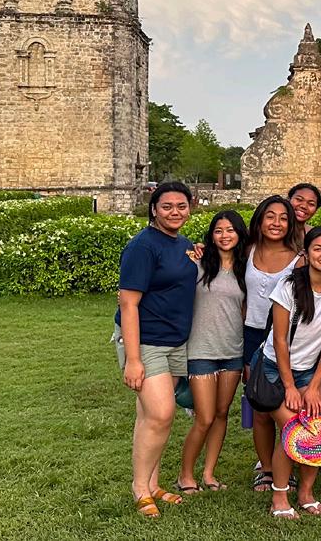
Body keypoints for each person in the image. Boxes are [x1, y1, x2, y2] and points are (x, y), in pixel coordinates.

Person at [113, 181, 196, 518]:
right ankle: (139, 487)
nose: (175, 212)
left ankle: (153, 483)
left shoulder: (184, 244)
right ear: (154, 209)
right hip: (146, 340)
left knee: (150, 416)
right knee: (161, 414)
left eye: (181, 206)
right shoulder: (142, 246)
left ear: (190, 208)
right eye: (167, 206)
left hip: (175, 341)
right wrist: (133, 359)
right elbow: (128, 304)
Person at [262, 226, 321, 519]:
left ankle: (305, 492)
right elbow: (279, 340)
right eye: (317, 248)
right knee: (294, 428)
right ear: (306, 253)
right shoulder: (288, 286)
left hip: (309, 371)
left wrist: (315, 385)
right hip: (275, 368)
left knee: (317, 427)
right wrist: (290, 386)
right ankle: (279, 495)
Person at [178, 210, 248, 495]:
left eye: (230, 230)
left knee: (221, 414)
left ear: (239, 234)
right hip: (201, 350)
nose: (224, 236)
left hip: (232, 350)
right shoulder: (197, 263)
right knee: (204, 417)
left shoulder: (245, 269)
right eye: (218, 231)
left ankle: (208, 473)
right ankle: (185, 474)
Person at [243, 196, 303, 491]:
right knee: (260, 406)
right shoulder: (247, 250)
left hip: (283, 338)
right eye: (270, 216)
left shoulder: (299, 258)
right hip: (251, 334)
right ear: (260, 220)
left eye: (283, 218)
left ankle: (286, 465)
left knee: (284, 407)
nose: (276, 223)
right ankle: (266, 467)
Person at [287, 183, 321, 251]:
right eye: (299, 200)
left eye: (311, 204)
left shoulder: (314, 235)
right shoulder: (275, 229)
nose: (304, 206)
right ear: (288, 200)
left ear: (316, 210)